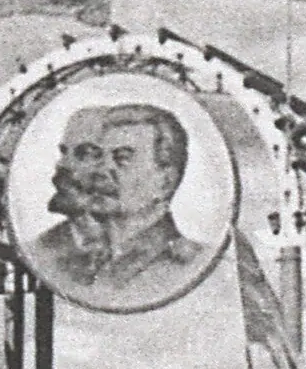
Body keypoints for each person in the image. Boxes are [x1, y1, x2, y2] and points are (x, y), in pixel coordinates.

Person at [24, 102, 215, 311]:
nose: (102, 170)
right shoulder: (76, 261)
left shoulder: (188, 265)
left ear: (165, 182)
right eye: (102, 157)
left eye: (122, 159)